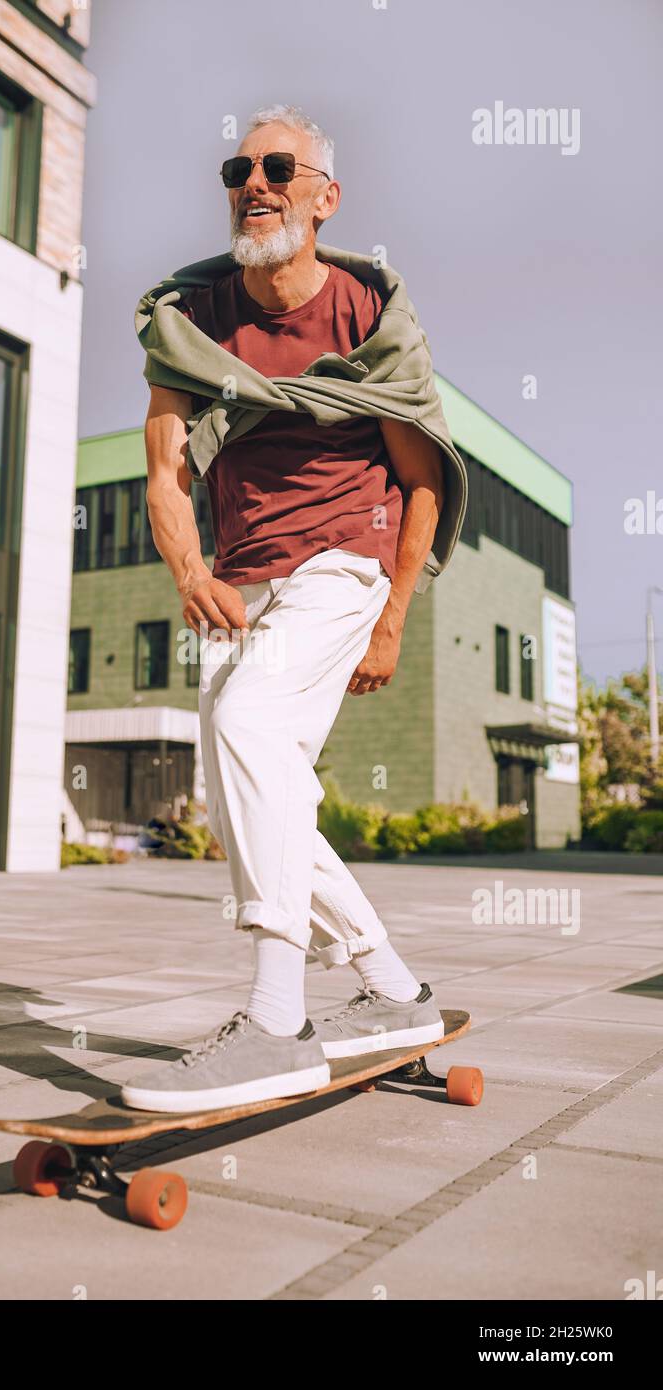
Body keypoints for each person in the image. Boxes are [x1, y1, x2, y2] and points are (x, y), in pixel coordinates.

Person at [121, 105, 466, 1114]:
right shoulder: (194, 319)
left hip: (343, 564)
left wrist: (394, 614)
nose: (255, 182)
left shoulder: (369, 315)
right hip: (245, 575)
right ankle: (397, 989)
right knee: (251, 790)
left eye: (280, 166)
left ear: (326, 197)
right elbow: (163, 467)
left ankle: (278, 1021)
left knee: (246, 725)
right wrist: (188, 572)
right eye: (240, 167)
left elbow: (420, 475)